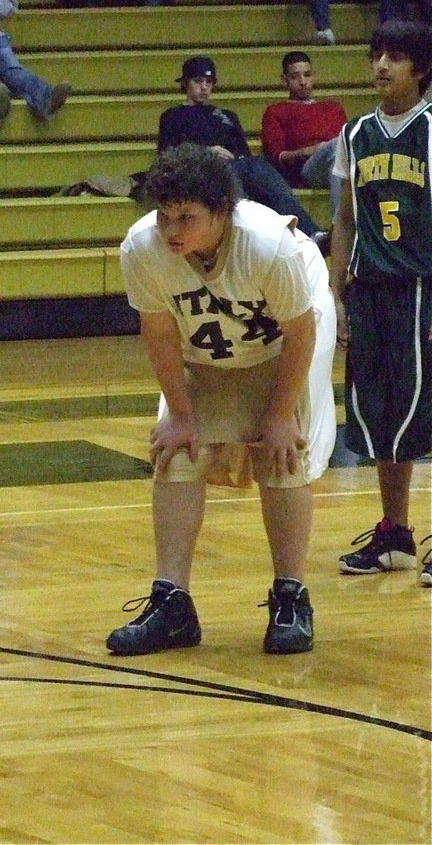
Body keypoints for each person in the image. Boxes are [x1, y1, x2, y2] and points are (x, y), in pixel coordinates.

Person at [107, 143, 335, 656]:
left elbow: (302, 333)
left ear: (220, 213)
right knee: (176, 454)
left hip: (285, 343)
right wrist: (181, 416)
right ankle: (173, 603)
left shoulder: (268, 245)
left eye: (186, 218)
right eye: (165, 216)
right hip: (205, 349)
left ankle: (291, 596)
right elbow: (159, 334)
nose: (171, 231)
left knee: (281, 456)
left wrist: (279, 417)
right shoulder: (141, 249)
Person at [328, 19, 432, 586]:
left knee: (427, 412)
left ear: (420, 69)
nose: (381, 65)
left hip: (421, 288)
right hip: (371, 291)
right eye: (376, 54)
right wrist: (334, 291)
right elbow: (344, 218)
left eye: (395, 55)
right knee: (385, 418)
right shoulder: (355, 134)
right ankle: (395, 533)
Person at [159, 55, 326, 243]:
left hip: (234, 166)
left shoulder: (227, 116)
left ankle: (310, 232)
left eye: (209, 82)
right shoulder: (172, 116)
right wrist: (206, 152)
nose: (204, 87)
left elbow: (243, 153)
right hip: (199, 169)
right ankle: (249, 236)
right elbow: (166, 155)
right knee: (233, 172)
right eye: (198, 81)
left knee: (257, 165)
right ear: (186, 84)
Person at [261, 50, 349, 219]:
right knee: (340, 145)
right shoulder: (276, 111)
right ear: (284, 80)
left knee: (339, 156)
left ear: (313, 76)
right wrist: (305, 152)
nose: (303, 82)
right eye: (295, 77)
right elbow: (275, 155)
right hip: (307, 167)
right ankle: (342, 228)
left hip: (336, 161)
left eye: (307, 75)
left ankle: (338, 227)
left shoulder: (333, 108)